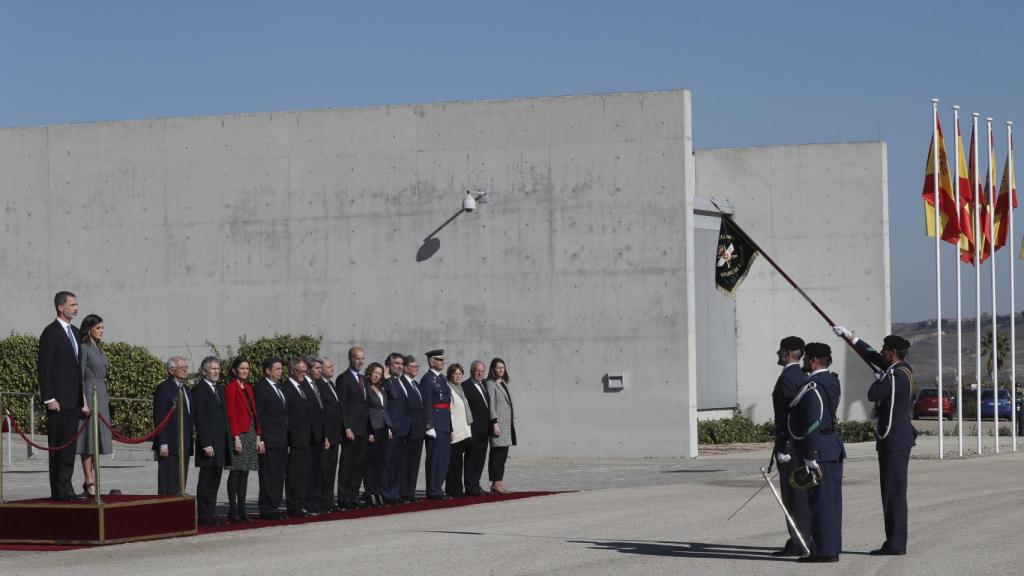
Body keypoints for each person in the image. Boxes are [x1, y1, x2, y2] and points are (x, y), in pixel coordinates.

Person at [833, 326, 915, 556]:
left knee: (893, 493)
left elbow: (873, 394)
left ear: (892, 353)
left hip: (894, 442)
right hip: (895, 441)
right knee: (891, 492)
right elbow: (870, 355)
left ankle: (896, 543)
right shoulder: (900, 369)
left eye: (884, 349)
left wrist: (879, 380)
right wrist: (849, 336)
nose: (881, 352)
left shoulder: (895, 375)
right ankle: (895, 541)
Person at [789, 342, 845, 563]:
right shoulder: (831, 380)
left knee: (820, 502)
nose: (804, 363)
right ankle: (831, 546)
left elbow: (813, 420)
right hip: (832, 446)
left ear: (812, 361)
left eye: (806, 359)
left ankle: (823, 551)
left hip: (819, 448)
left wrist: (810, 454)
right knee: (831, 502)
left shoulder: (813, 386)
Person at [37, 291, 87, 501]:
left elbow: (78, 369)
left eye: (76, 305)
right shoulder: (50, 332)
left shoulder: (75, 332)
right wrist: (49, 398)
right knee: (58, 446)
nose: (76, 308)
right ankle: (59, 491)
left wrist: (82, 399)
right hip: (58, 401)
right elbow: (45, 368)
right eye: (73, 304)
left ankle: (67, 488)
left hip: (73, 400)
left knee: (69, 447)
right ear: (60, 307)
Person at [771, 336, 812, 557]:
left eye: (780, 351)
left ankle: (799, 541)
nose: (778, 355)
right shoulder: (801, 376)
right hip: (799, 444)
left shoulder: (789, 378)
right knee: (800, 495)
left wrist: (785, 445)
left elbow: (790, 415)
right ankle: (802, 538)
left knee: (793, 495)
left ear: (787, 354)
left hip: (791, 445)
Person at [192, 356, 232, 526]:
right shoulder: (199, 389)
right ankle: (204, 514)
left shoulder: (220, 389)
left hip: (220, 442)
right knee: (206, 480)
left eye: (217, 368)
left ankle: (212, 511)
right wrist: (206, 443)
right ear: (204, 371)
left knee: (215, 480)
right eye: (212, 369)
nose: (216, 372)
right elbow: (200, 418)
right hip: (208, 443)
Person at [76, 313, 112, 499]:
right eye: (98, 328)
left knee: (97, 440)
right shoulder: (83, 348)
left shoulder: (98, 348)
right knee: (88, 441)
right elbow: (79, 376)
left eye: (102, 328)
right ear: (88, 328)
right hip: (89, 394)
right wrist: (83, 401)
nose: (101, 331)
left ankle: (94, 480)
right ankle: (89, 480)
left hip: (101, 394)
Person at [224, 357, 262, 523]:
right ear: (234, 370)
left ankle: (242, 508)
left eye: (247, 368)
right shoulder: (230, 388)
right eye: (242, 368)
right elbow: (231, 414)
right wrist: (236, 437)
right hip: (239, 434)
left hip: (251, 433)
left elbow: (254, 413)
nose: (245, 371)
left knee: (245, 472)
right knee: (236, 472)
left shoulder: (248, 388)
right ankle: (233, 509)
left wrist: (258, 436)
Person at [281, 357, 318, 517]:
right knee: (295, 474)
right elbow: (286, 415)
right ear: (292, 371)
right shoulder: (286, 388)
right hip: (295, 438)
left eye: (305, 371)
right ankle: (294, 505)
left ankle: (303, 503)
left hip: (307, 437)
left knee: (305, 473)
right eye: (300, 371)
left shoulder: (304, 387)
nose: (303, 374)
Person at [153, 356, 193, 495]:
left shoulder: (186, 389)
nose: (185, 370)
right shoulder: (163, 388)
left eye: (186, 367)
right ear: (171, 370)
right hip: (169, 444)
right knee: (168, 483)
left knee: (180, 482)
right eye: (182, 368)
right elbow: (159, 418)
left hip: (184, 443)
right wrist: (162, 443)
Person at [253, 357, 288, 520]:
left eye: (281, 368)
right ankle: (267, 508)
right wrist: (260, 439)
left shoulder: (279, 387)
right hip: (269, 439)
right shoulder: (261, 388)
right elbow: (258, 415)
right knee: (268, 474)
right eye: (277, 369)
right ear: (268, 370)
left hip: (281, 438)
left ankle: (275, 505)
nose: (281, 371)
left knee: (278, 474)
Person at [337, 346, 371, 509]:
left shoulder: (363, 379)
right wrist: (347, 427)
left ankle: (354, 495)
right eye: (357, 358)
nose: (360, 361)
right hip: (351, 430)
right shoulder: (344, 378)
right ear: (350, 359)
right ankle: (344, 497)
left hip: (363, 429)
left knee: (359, 464)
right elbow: (342, 405)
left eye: (362, 358)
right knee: (347, 465)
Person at [421, 349, 452, 500]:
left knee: (443, 458)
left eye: (443, 360)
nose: (442, 362)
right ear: (431, 361)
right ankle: (433, 490)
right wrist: (429, 425)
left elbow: (447, 405)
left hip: (444, 423)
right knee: (435, 458)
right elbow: (427, 404)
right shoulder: (427, 379)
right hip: (435, 423)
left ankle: (438, 487)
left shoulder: (442, 379)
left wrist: (450, 427)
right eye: (439, 360)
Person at [364, 362, 393, 506]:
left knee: (380, 463)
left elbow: (393, 397)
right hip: (372, 429)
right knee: (371, 463)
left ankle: (377, 490)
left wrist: (387, 379)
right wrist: (369, 431)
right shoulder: (365, 387)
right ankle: (369, 492)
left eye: (379, 374)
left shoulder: (382, 388)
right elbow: (365, 411)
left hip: (383, 428)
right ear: (370, 372)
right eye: (375, 373)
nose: (377, 376)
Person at [303, 356, 329, 514]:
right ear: (309, 369)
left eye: (321, 368)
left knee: (318, 471)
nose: (321, 371)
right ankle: (308, 502)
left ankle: (316, 501)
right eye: (317, 368)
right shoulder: (304, 385)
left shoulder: (317, 385)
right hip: (309, 436)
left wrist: (325, 434)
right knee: (309, 471)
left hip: (320, 435)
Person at [486, 357, 516, 494]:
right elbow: (491, 404)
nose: (500, 370)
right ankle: (494, 483)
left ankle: (499, 481)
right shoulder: (491, 383)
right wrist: (494, 422)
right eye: (498, 367)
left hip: (506, 425)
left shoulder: (503, 382)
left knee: (503, 455)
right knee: (497, 455)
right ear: (493, 369)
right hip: (498, 425)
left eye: (502, 368)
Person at [382, 353, 408, 505]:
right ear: (388, 365)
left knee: (397, 464)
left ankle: (394, 492)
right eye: (396, 363)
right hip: (391, 429)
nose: (399, 366)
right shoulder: (386, 381)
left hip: (403, 429)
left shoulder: (401, 381)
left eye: (401, 363)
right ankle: (386, 494)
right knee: (387, 463)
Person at [316, 357, 342, 512]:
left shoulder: (330, 384)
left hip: (335, 434)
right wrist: (324, 434)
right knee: (323, 470)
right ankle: (321, 502)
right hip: (326, 435)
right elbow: (322, 413)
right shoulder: (318, 385)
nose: (332, 368)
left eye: (332, 366)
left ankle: (328, 501)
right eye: (328, 366)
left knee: (332, 469)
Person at [461, 360, 491, 496]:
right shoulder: (465, 386)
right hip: (473, 429)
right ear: (471, 371)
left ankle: (476, 484)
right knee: (472, 458)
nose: (479, 373)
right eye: (477, 371)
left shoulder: (485, 384)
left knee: (480, 458)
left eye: (482, 371)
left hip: (485, 430)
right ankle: (470, 486)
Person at [400, 354, 426, 503]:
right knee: (405, 463)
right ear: (405, 368)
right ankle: (404, 492)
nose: (417, 369)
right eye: (414, 366)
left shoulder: (416, 385)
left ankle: (410, 492)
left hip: (418, 430)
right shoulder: (402, 382)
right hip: (408, 430)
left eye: (418, 366)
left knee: (415, 463)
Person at [446, 364, 472, 498]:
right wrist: (450, 429)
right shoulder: (449, 388)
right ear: (450, 375)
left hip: (463, 432)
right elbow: (448, 411)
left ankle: (457, 488)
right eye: (455, 373)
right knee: (453, 464)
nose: (458, 376)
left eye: (460, 374)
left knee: (458, 463)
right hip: (454, 432)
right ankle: (453, 489)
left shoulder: (460, 388)